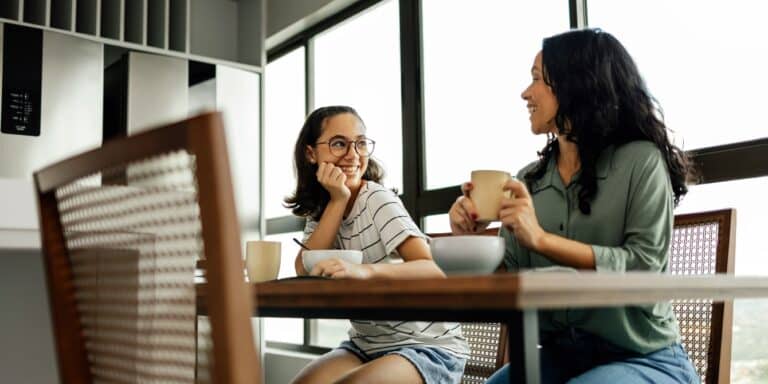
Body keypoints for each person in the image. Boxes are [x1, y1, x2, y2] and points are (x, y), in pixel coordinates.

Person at [449, 29, 699, 383]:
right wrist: (469, 241)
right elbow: (507, 282)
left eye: (537, 79)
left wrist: (541, 239)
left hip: (645, 358)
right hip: (559, 359)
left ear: (575, 85)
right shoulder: (528, 182)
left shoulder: (641, 161)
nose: (525, 92)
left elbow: (644, 264)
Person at [286, 105, 469, 384]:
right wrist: (338, 200)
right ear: (311, 153)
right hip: (366, 346)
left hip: (427, 348)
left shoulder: (377, 199)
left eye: (360, 144)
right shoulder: (324, 209)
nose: (352, 155)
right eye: (339, 144)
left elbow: (434, 267)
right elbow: (304, 268)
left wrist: (365, 271)